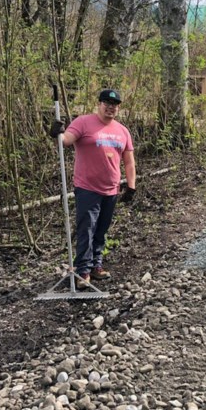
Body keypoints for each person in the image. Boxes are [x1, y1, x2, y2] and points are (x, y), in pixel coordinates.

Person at [49, 88, 137, 289]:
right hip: (87, 188)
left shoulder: (122, 131)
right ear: (99, 104)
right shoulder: (83, 122)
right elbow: (66, 141)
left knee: (101, 230)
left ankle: (96, 265)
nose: (111, 107)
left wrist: (131, 186)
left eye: (114, 104)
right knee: (86, 229)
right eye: (107, 103)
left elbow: (129, 161)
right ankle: (83, 272)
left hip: (111, 189)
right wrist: (56, 134)